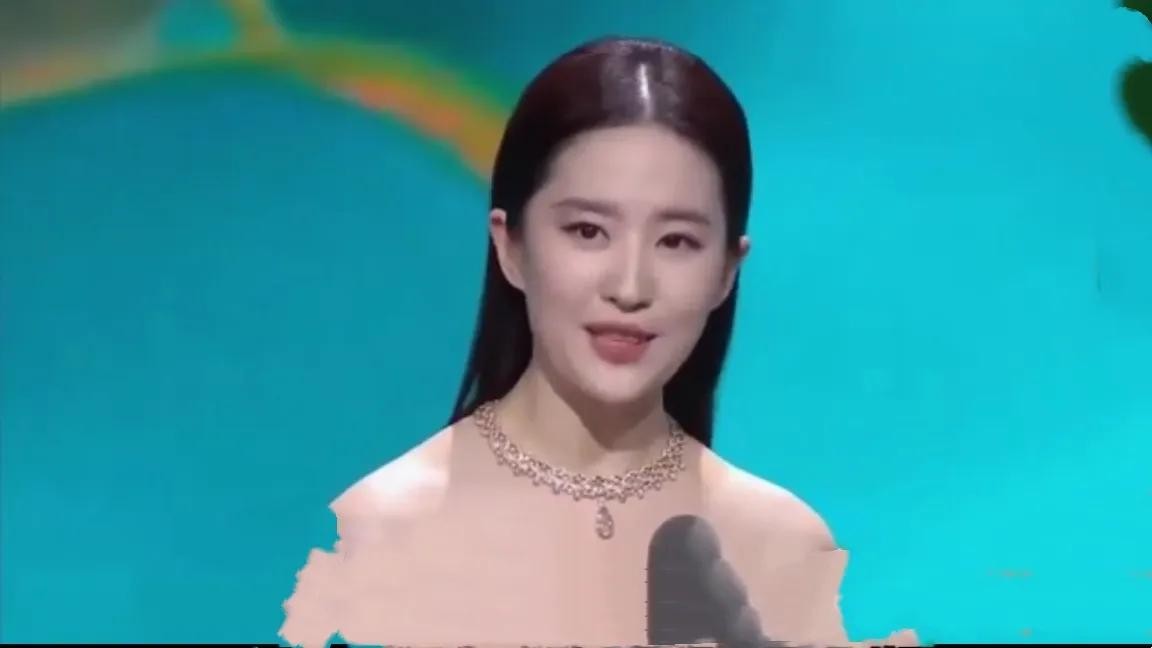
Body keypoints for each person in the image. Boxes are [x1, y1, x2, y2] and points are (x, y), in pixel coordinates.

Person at [280, 36, 917, 648]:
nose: (630, 286)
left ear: (728, 270)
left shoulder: (781, 545)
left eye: (677, 241)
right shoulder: (382, 531)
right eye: (588, 231)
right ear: (510, 245)